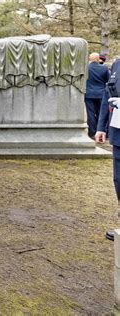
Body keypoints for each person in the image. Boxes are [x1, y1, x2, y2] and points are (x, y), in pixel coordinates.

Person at [95, 57, 120, 240]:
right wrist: (101, 127)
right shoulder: (117, 65)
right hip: (117, 133)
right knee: (119, 180)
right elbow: (107, 95)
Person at [85, 53, 110, 139]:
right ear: (98, 59)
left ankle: (92, 132)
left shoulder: (85, 68)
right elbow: (109, 80)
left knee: (90, 113)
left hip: (88, 94)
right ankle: (102, 131)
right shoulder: (104, 68)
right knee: (101, 113)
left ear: (89, 59)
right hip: (101, 94)